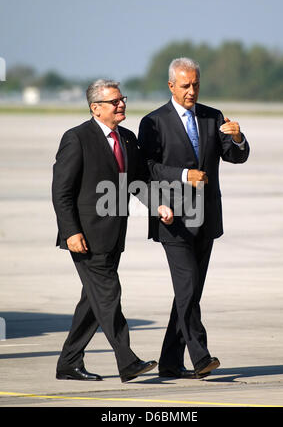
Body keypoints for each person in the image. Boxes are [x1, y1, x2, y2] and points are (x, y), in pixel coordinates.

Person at [52, 79, 173, 382]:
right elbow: (61, 191)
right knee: (109, 295)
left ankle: (69, 362)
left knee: (93, 302)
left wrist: (156, 205)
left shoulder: (128, 139)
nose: (121, 105)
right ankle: (127, 360)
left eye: (122, 99)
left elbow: (138, 182)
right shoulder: (77, 138)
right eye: (114, 101)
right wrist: (71, 232)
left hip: (114, 235)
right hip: (85, 237)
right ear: (96, 108)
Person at [138, 58, 250, 379]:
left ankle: (170, 363)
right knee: (187, 288)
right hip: (172, 220)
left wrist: (239, 137)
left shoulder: (212, 116)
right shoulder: (154, 122)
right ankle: (200, 357)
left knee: (189, 292)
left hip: (208, 218)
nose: (191, 91)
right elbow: (146, 168)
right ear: (171, 85)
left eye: (196, 85)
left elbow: (235, 155)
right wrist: (184, 175)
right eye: (185, 85)